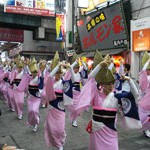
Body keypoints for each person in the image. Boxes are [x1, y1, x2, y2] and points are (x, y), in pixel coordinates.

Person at [73, 52, 140, 150]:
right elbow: (91, 77)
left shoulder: (116, 97)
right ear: (102, 85)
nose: (110, 86)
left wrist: (129, 80)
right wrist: (100, 66)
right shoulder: (96, 95)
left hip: (110, 134)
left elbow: (135, 95)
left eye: (112, 84)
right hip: (96, 134)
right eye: (108, 84)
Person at [44, 52, 72, 150]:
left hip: (60, 109)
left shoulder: (64, 83)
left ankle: (61, 140)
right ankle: (58, 145)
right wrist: (58, 66)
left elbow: (73, 78)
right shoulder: (50, 83)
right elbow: (49, 77)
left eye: (59, 73)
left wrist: (71, 67)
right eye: (56, 73)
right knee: (52, 129)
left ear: (62, 73)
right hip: (51, 108)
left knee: (60, 129)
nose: (58, 75)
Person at [138, 52, 150, 137]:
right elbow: (143, 89)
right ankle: (146, 130)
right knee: (145, 118)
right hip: (144, 102)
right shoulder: (143, 76)